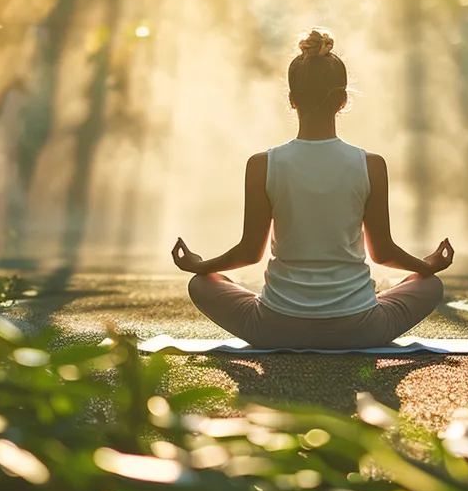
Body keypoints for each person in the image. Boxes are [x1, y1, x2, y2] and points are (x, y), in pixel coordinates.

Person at [170, 28, 453, 349]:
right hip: (360, 328)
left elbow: (250, 251)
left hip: (275, 327)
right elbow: (383, 252)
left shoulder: (262, 164)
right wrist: (427, 266)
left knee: (202, 285)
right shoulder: (371, 164)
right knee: (430, 286)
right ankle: (361, 306)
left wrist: (200, 266)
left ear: (291, 100)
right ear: (344, 100)